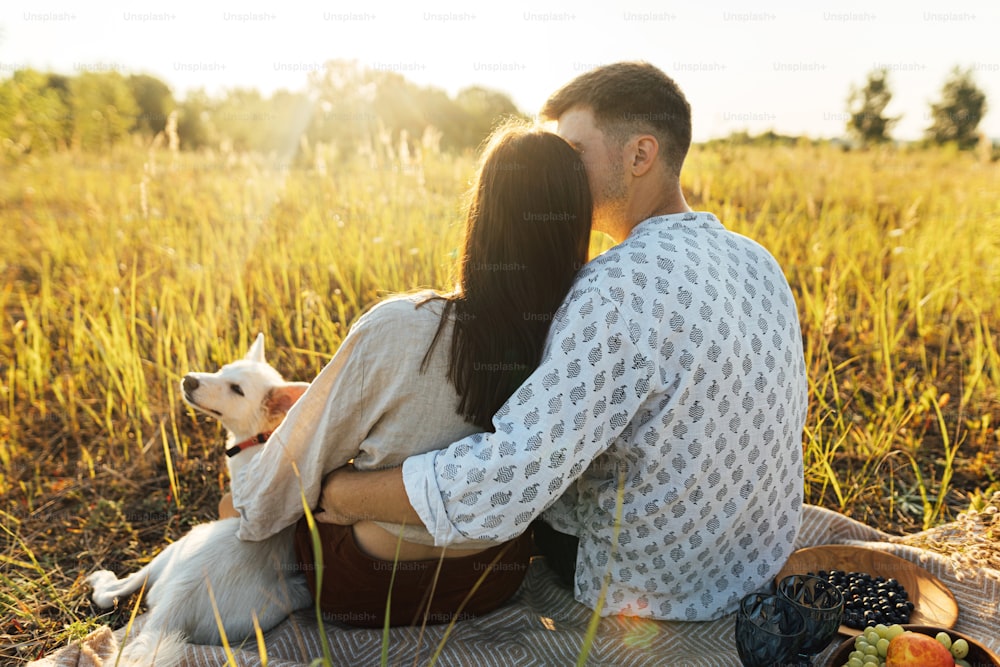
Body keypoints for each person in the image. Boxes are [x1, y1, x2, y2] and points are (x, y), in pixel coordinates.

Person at [315, 62, 809, 622]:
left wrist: (342, 492)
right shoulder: (757, 259)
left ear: (640, 156)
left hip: (645, 584)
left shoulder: (614, 287)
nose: (556, 170)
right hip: (753, 562)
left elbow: (506, 481)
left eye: (573, 153)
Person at [226, 122, 593, 627]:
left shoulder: (402, 325)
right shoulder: (578, 333)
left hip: (367, 581)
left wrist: (246, 507)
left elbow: (297, 459)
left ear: (481, 213)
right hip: (490, 581)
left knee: (244, 499)